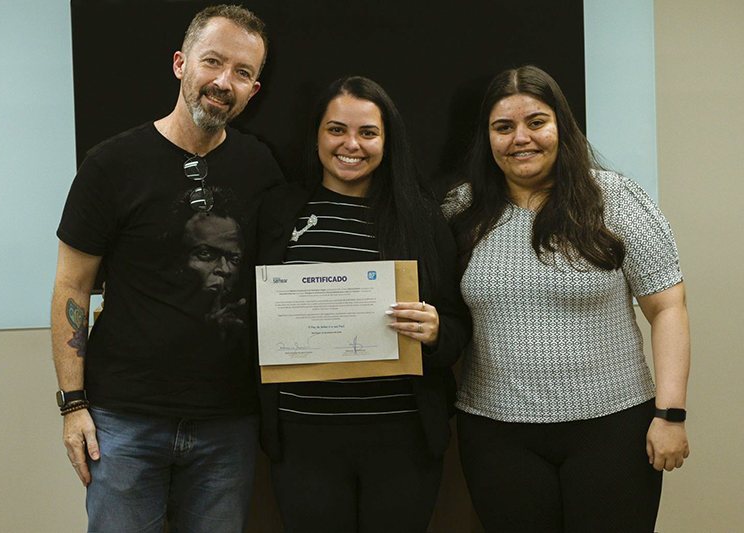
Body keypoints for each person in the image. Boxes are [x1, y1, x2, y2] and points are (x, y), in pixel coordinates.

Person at [50, 5, 283, 532]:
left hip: (229, 422)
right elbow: (72, 286)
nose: (224, 82)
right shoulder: (111, 164)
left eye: (242, 73)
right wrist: (73, 406)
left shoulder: (260, 167)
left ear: (254, 90)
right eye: (213, 62)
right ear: (181, 63)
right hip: (123, 420)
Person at [443, 65, 690, 532]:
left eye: (536, 122)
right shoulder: (460, 209)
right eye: (504, 127)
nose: (521, 138)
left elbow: (668, 307)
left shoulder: (613, 199)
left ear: (561, 126)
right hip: (497, 436)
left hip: (613, 431)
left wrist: (670, 414)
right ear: (487, 137)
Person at [256, 76, 471, 533]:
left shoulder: (422, 217)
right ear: (315, 135)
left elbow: (458, 329)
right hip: (302, 441)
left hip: (403, 442)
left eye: (368, 133)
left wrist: (434, 331)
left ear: (387, 142)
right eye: (336, 129)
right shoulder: (277, 211)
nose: (351, 144)